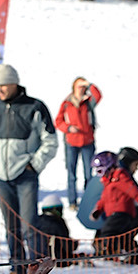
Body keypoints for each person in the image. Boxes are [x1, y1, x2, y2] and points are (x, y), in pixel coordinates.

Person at [0, 64, 59, 274]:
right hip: (2, 178)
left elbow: (50, 140)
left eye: (3, 85)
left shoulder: (34, 107)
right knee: (11, 227)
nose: (0, 90)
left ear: (14, 83)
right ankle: (17, 270)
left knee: (29, 226)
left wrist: (34, 165)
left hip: (26, 176)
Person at [91, 149, 138, 264]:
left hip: (121, 212)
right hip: (114, 213)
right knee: (123, 236)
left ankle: (109, 253)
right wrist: (98, 209)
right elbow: (104, 199)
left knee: (108, 232)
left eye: (99, 171)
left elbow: (131, 188)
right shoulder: (108, 181)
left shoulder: (119, 176)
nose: (99, 174)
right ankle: (133, 254)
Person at [55, 77, 103, 209]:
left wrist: (89, 84)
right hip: (71, 142)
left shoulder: (88, 102)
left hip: (87, 141)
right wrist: (69, 128)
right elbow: (58, 122)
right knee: (71, 174)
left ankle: (88, 201)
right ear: (73, 87)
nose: (81, 89)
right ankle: (72, 202)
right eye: (79, 86)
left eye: (83, 87)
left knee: (89, 173)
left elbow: (98, 95)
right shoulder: (66, 103)